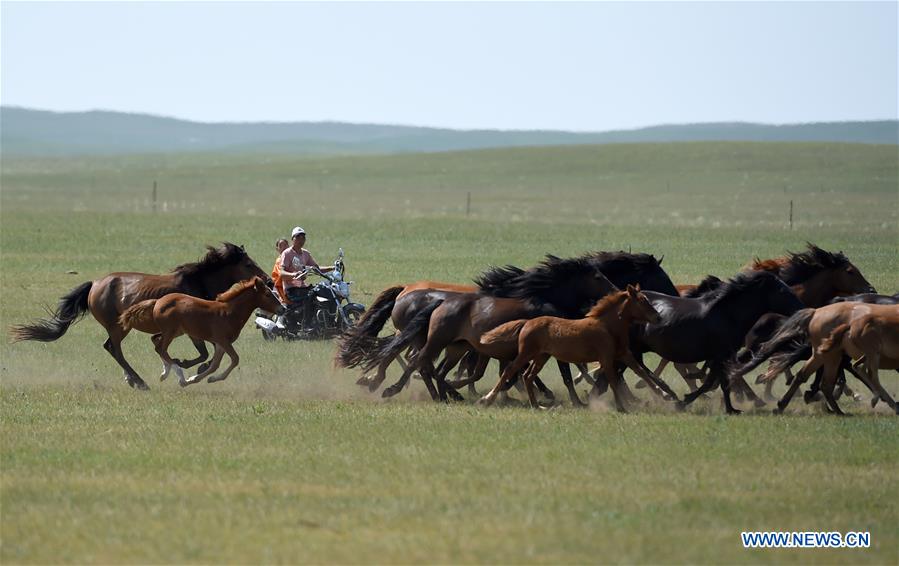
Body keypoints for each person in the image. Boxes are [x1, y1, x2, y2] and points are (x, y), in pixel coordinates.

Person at [278, 227, 334, 328]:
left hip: (302, 287)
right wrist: (294, 275)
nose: (301, 240)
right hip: (292, 289)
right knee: (311, 295)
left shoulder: (305, 253)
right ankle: (306, 324)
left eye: (303, 237)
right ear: (293, 239)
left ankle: (327, 321)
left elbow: (317, 268)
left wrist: (333, 267)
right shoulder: (287, 253)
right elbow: (281, 273)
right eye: (298, 237)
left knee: (325, 290)